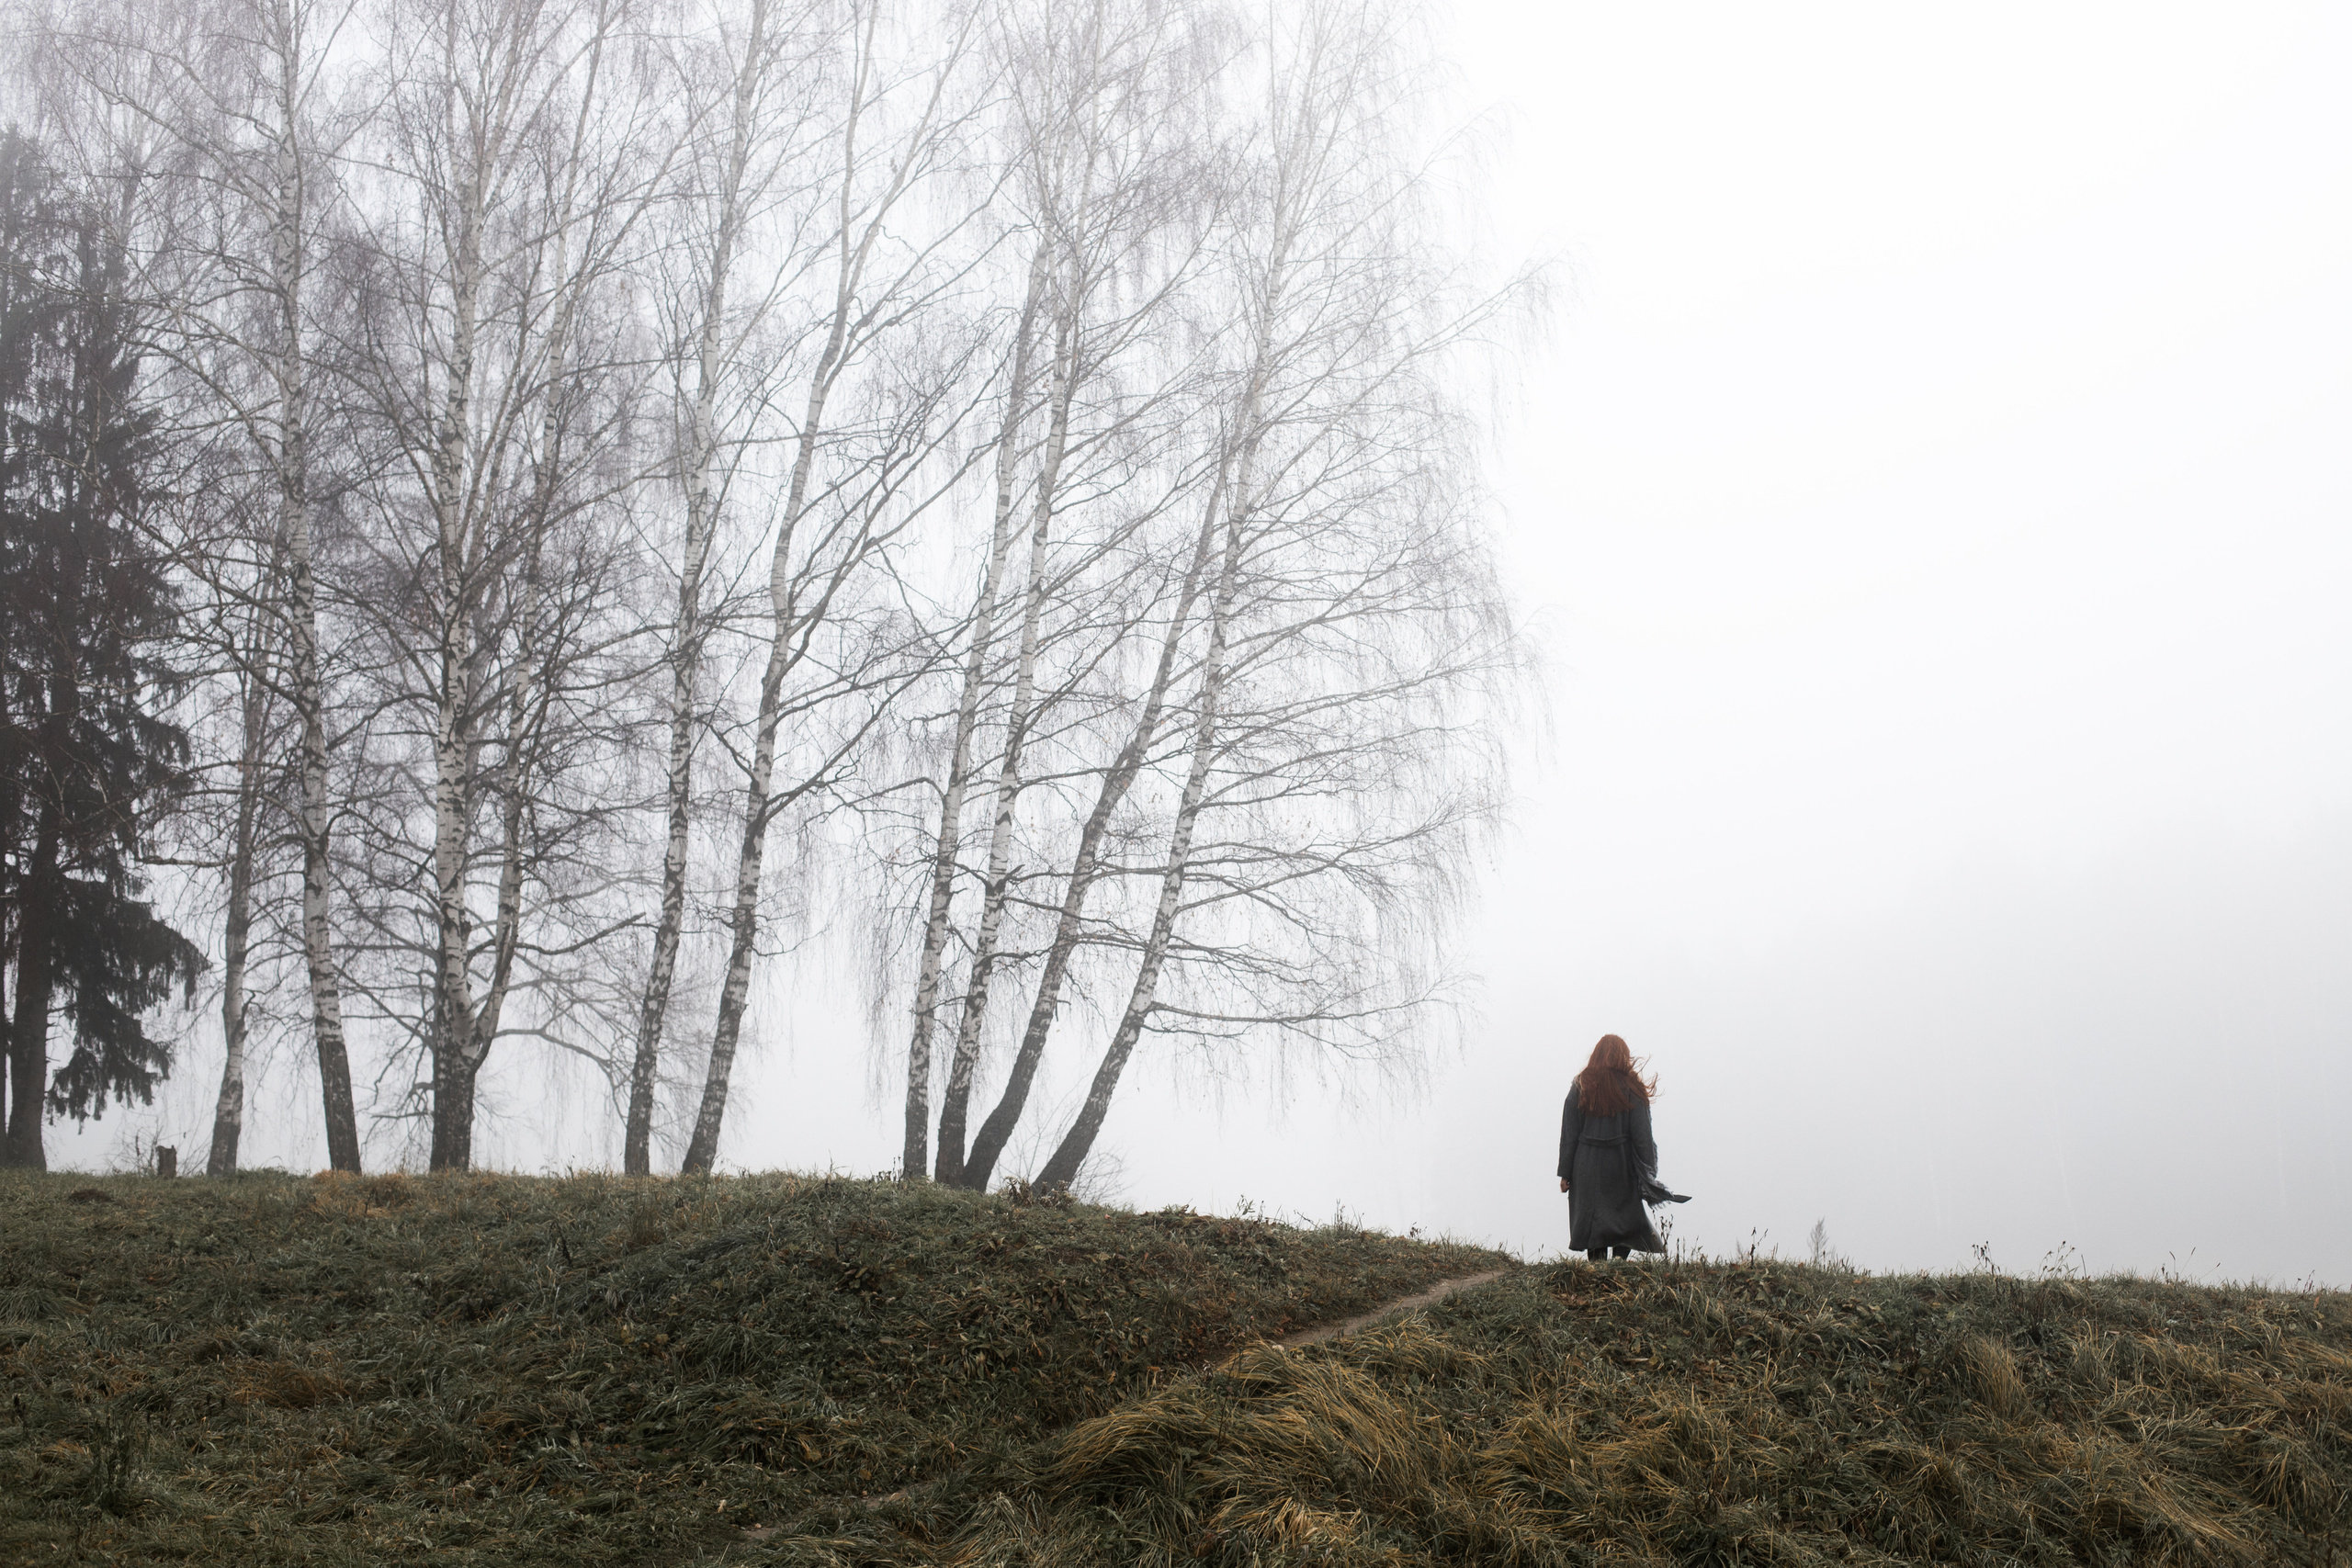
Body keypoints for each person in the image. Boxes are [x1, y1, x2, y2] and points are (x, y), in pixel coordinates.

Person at [1556, 1033, 1665, 1260]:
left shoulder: (1581, 1083)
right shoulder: (1632, 1087)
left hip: (1586, 1164)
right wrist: (1649, 1172)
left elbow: (1569, 1132)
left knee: (1592, 1219)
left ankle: (1597, 1268)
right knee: (1624, 1217)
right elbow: (1643, 1134)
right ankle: (1618, 1262)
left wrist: (1565, 1173)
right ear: (1623, 1057)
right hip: (1621, 1163)